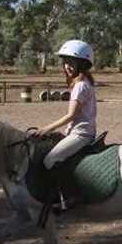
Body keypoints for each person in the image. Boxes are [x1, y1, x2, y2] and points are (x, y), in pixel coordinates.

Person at [32, 40, 98, 208]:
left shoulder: (81, 86)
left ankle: (71, 196)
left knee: (50, 160)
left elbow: (71, 115)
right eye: (65, 62)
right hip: (78, 131)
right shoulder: (83, 83)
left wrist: (47, 129)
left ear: (82, 64)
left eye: (71, 62)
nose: (66, 66)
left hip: (80, 134)